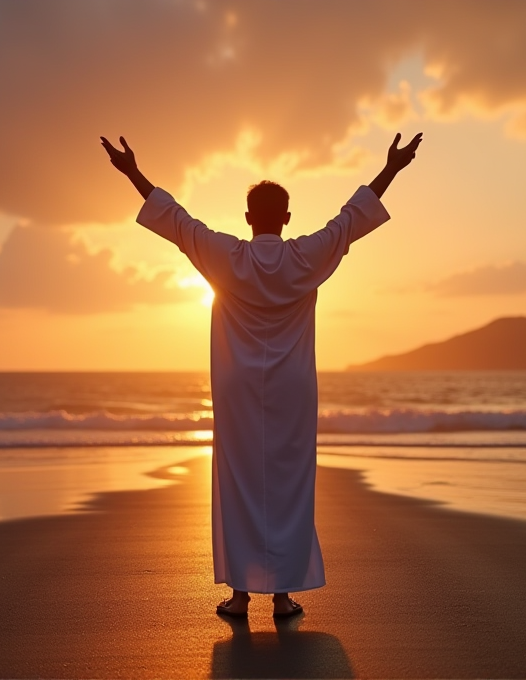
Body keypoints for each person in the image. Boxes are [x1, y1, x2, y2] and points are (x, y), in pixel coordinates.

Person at [100, 131, 422, 618]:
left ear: (249, 218)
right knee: (290, 483)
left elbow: (177, 221)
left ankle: (239, 594)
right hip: (293, 388)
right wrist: (393, 167)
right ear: (287, 217)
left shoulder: (227, 257)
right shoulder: (304, 256)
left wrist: (132, 173)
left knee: (239, 483)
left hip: (237, 389)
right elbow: (351, 218)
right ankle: (283, 596)